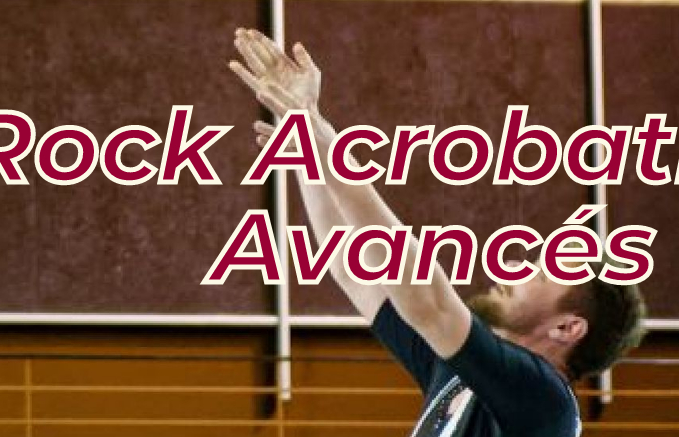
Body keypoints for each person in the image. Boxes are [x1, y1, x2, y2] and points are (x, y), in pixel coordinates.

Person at [229, 28, 646, 436]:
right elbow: (351, 266)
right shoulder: (461, 371)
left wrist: (331, 156)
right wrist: (304, 128)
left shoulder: (544, 399)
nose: (518, 266)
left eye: (540, 275)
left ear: (567, 329)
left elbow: (429, 301)